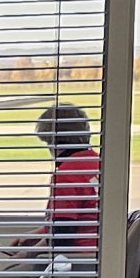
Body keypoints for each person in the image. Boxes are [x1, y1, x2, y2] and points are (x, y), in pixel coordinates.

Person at [37, 102, 99, 252]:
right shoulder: (97, 162)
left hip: (77, 257)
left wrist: (26, 253)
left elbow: (62, 235)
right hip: (97, 253)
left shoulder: (67, 175)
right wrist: (32, 237)